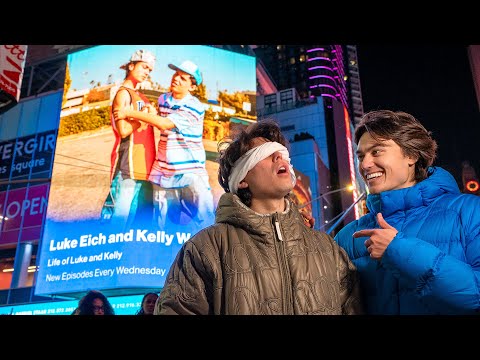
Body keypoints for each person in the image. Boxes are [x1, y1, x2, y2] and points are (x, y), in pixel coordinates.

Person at [154, 119, 363, 315]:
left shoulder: (327, 248)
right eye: (265, 153)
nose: (279, 157)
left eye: (282, 153)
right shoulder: (206, 249)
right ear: (242, 178)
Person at [334, 110, 480, 315]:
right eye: (360, 156)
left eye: (376, 152)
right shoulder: (347, 237)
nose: (365, 165)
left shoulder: (469, 212)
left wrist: (397, 250)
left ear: (411, 155)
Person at [114, 60, 214, 232]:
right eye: (176, 75)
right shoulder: (163, 100)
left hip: (189, 174)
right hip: (163, 174)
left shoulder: (194, 106)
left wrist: (129, 112)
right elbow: (158, 117)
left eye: (183, 78)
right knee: (163, 226)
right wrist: (151, 113)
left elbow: (165, 124)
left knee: (204, 224)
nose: (176, 79)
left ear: (192, 86)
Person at [103, 49, 157, 232]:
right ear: (131, 66)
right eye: (144, 67)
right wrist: (143, 117)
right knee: (118, 219)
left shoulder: (140, 96)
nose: (147, 72)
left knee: (134, 221)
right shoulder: (123, 93)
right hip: (128, 164)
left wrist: (148, 114)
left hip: (144, 166)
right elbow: (124, 130)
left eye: (149, 69)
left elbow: (143, 119)